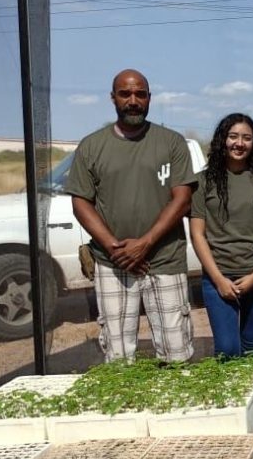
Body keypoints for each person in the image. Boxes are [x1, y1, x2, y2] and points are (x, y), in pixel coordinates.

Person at [65, 69, 198, 362]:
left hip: (164, 260)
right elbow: (81, 203)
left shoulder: (171, 142)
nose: (133, 100)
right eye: (125, 94)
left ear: (149, 98)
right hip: (113, 263)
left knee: (176, 352)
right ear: (113, 98)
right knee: (119, 354)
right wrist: (116, 248)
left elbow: (183, 199)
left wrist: (145, 244)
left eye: (140, 94)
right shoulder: (92, 146)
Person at [190, 113, 253, 357]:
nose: (239, 143)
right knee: (227, 349)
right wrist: (219, 279)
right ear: (222, 140)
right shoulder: (203, 182)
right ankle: (229, 396)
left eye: (246, 138)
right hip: (218, 276)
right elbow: (197, 234)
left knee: (252, 347)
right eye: (233, 136)